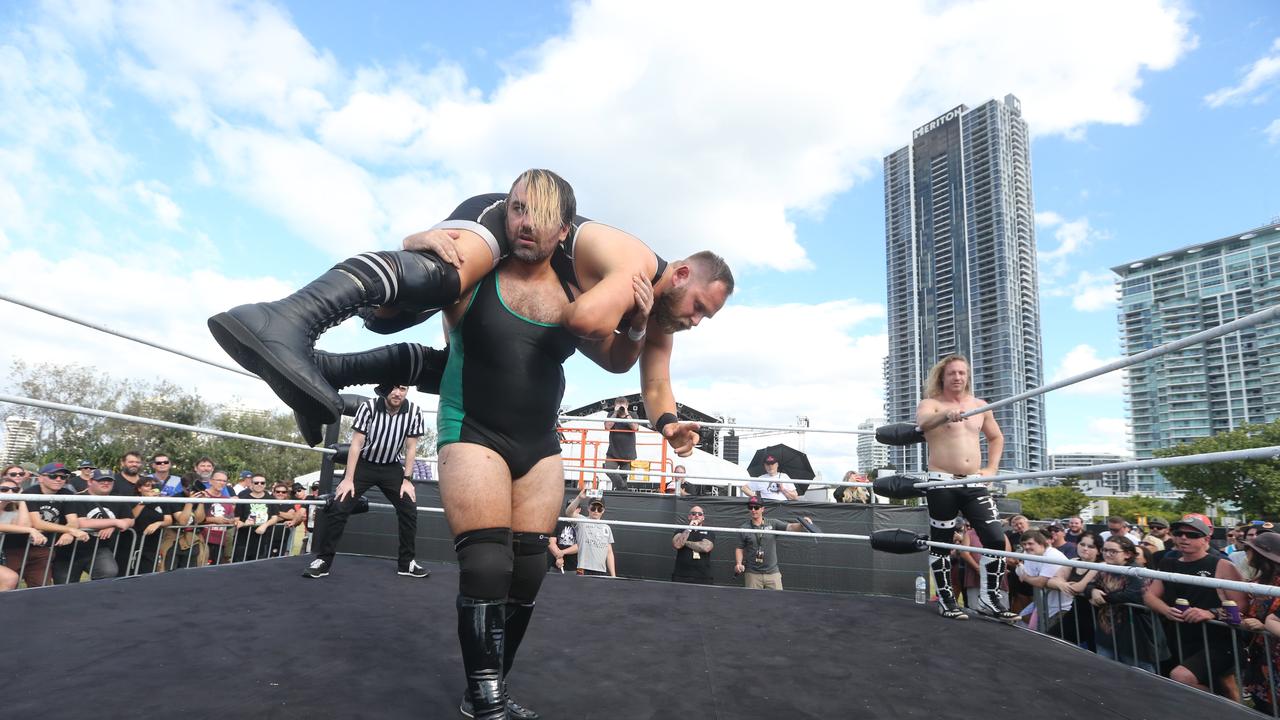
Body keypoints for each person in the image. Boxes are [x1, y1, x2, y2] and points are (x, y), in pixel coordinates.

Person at [914, 355, 1017, 621]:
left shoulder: (980, 405)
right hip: (942, 481)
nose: (958, 377)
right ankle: (946, 598)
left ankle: (989, 597)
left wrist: (992, 469)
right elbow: (923, 424)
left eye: (962, 373)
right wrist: (944, 415)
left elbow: (995, 437)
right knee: (942, 542)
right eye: (952, 373)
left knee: (995, 538)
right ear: (943, 376)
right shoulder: (931, 403)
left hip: (973, 482)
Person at [304, 382, 427, 579]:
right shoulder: (369, 407)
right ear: (385, 390)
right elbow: (356, 444)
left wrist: (407, 480)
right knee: (339, 506)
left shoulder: (414, 411)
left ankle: (406, 563)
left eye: (402, 388)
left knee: (409, 509)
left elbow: (411, 448)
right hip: (364, 464)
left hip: (391, 467)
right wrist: (349, 478)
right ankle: (323, 561)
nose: (397, 392)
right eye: (393, 387)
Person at [1144, 514, 1245, 700]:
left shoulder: (1221, 564)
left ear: (1206, 539)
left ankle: (1229, 710)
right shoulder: (1168, 562)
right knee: (1181, 682)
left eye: (1192, 535)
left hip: (1217, 640)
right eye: (1179, 533)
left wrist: (1211, 613)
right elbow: (1150, 595)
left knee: (1185, 678)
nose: (1183, 538)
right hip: (1180, 637)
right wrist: (1166, 610)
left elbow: (1242, 605)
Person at [1089, 536, 1165, 672]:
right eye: (1104, 550)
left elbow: (1134, 594)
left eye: (1112, 551)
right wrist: (1093, 591)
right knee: (1106, 672)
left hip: (1134, 636)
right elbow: (1089, 585)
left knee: (1140, 677)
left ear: (1128, 554)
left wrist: (1104, 598)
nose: (1107, 554)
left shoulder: (1137, 571)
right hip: (1107, 633)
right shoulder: (1105, 569)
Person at [56, 470, 136, 583]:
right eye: (101, 481)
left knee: (108, 572)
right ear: (90, 482)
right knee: (64, 586)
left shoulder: (118, 499)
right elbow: (81, 522)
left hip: (99, 549)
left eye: (109, 481)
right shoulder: (77, 498)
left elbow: (130, 520)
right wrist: (115, 522)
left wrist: (113, 525)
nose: (106, 483)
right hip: (69, 550)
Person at [26, 462, 90, 585]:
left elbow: (73, 520)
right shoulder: (30, 492)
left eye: (63, 477)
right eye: (53, 476)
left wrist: (69, 533)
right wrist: (70, 530)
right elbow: (37, 523)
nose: (59, 479)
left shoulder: (67, 494)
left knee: (42, 585)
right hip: (22, 546)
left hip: (50, 548)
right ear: (40, 478)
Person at [1239, 531, 1280, 713]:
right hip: (1260, 656)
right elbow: (1249, 613)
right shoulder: (1255, 582)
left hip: (1275, 656)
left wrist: (1265, 627)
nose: (1247, 552)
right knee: (1263, 706)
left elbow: (1272, 619)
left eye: (1251, 549)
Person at [733, 496, 810, 590]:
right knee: (752, 603)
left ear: (762, 509)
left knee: (777, 602)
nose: (753, 510)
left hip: (773, 573)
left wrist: (802, 524)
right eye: (750, 507)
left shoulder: (773, 523)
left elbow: (790, 527)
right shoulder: (744, 528)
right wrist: (739, 563)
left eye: (756, 507)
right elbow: (739, 548)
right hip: (752, 574)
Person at [1014, 530, 1072, 632]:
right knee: (1021, 620)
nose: (1026, 547)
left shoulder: (1052, 556)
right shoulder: (1029, 554)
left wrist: (1025, 577)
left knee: (1049, 634)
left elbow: (1039, 582)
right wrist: (1026, 576)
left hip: (1061, 606)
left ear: (1041, 543)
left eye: (1030, 543)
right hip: (1042, 602)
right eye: (1024, 544)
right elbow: (1027, 576)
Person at [1052, 531, 1101, 650]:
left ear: (1099, 550)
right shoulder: (1074, 561)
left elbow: (1078, 587)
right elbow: (1052, 580)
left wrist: (1061, 583)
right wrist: (1061, 583)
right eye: (1082, 544)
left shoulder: (1101, 565)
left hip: (1096, 617)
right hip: (1076, 612)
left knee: (1093, 651)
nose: (1085, 548)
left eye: (1091, 546)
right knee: (1052, 637)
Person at [0, 476, 46, 589]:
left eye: (15, 490)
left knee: (10, 578)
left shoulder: (11, 513)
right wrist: (31, 530)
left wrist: (22, 499)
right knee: (10, 577)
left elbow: (22, 526)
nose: (10, 492)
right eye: (4, 489)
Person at [130, 474, 174, 575]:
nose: (151, 488)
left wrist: (158, 523)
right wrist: (145, 502)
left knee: (148, 573)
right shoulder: (133, 500)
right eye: (147, 485)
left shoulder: (162, 501)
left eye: (154, 486)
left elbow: (168, 520)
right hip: (132, 544)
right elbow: (131, 517)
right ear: (139, 489)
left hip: (152, 546)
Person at [565, 490, 616, 577]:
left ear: (603, 511)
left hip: (601, 570)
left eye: (599, 509)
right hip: (583, 568)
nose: (596, 511)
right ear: (588, 508)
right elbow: (568, 513)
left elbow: (609, 552)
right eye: (593, 508)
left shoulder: (606, 527)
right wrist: (579, 498)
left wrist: (613, 576)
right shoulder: (582, 520)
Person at [671, 505, 714, 584]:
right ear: (689, 517)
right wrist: (689, 528)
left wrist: (685, 542)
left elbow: (706, 547)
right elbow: (677, 544)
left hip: (703, 576)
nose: (697, 515)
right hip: (681, 575)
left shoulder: (709, 531)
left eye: (700, 514)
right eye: (694, 513)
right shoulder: (680, 530)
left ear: (703, 517)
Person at [602, 397, 637, 491]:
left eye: (623, 406)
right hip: (613, 451)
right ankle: (624, 489)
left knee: (624, 476)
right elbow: (607, 427)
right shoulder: (611, 414)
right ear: (615, 406)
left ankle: (622, 494)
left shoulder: (632, 414)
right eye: (619, 406)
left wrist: (626, 414)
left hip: (628, 453)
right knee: (608, 469)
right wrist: (615, 413)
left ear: (627, 406)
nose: (621, 408)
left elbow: (635, 427)